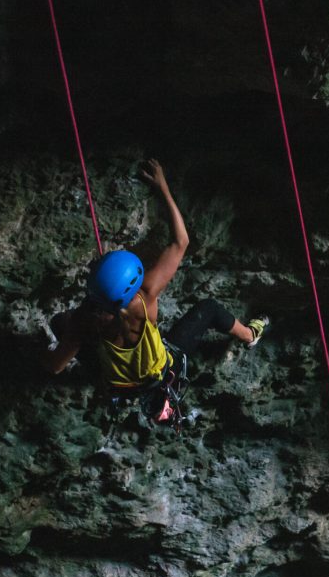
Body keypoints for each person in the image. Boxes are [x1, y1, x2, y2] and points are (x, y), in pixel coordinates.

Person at [42, 159, 268, 414]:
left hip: (121, 386)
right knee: (209, 308)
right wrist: (162, 187)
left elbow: (54, 366)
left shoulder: (84, 321)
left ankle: (109, 381)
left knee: (60, 321)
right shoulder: (145, 297)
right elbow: (180, 242)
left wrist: (58, 344)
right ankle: (250, 335)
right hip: (162, 373)